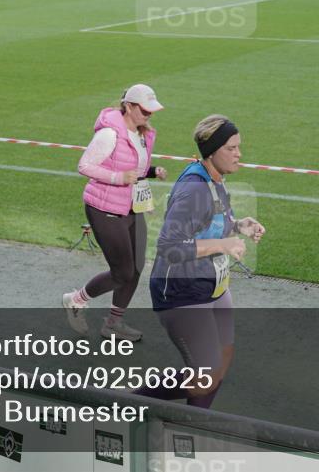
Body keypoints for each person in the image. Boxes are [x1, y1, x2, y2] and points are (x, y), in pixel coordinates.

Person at [136, 114, 265, 408]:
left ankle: (192, 429)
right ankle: (125, 404)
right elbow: (169, 246)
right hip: (182, 291)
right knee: (202, 378)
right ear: (212, 151)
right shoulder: (194, 189)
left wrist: (238, 225)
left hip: (213, 284)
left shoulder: (214, 178)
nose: (238, 154)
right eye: (231, 148)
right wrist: (223, 244)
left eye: (239, 147)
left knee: (221, 362)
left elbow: (213, 221)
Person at [62, 84, 168, 341]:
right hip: (104, 208)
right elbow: (84, 165)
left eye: (151, 111)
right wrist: (118, 177)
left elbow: (133, 166)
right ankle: (76, 300)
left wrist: (151, 172)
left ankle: (113, 323)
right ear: (129, 107)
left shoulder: (142, 134)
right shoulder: (109, 134)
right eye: (144, 110)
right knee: (122, 272)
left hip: (131, 206)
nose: (149, 115)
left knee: (136, 268)